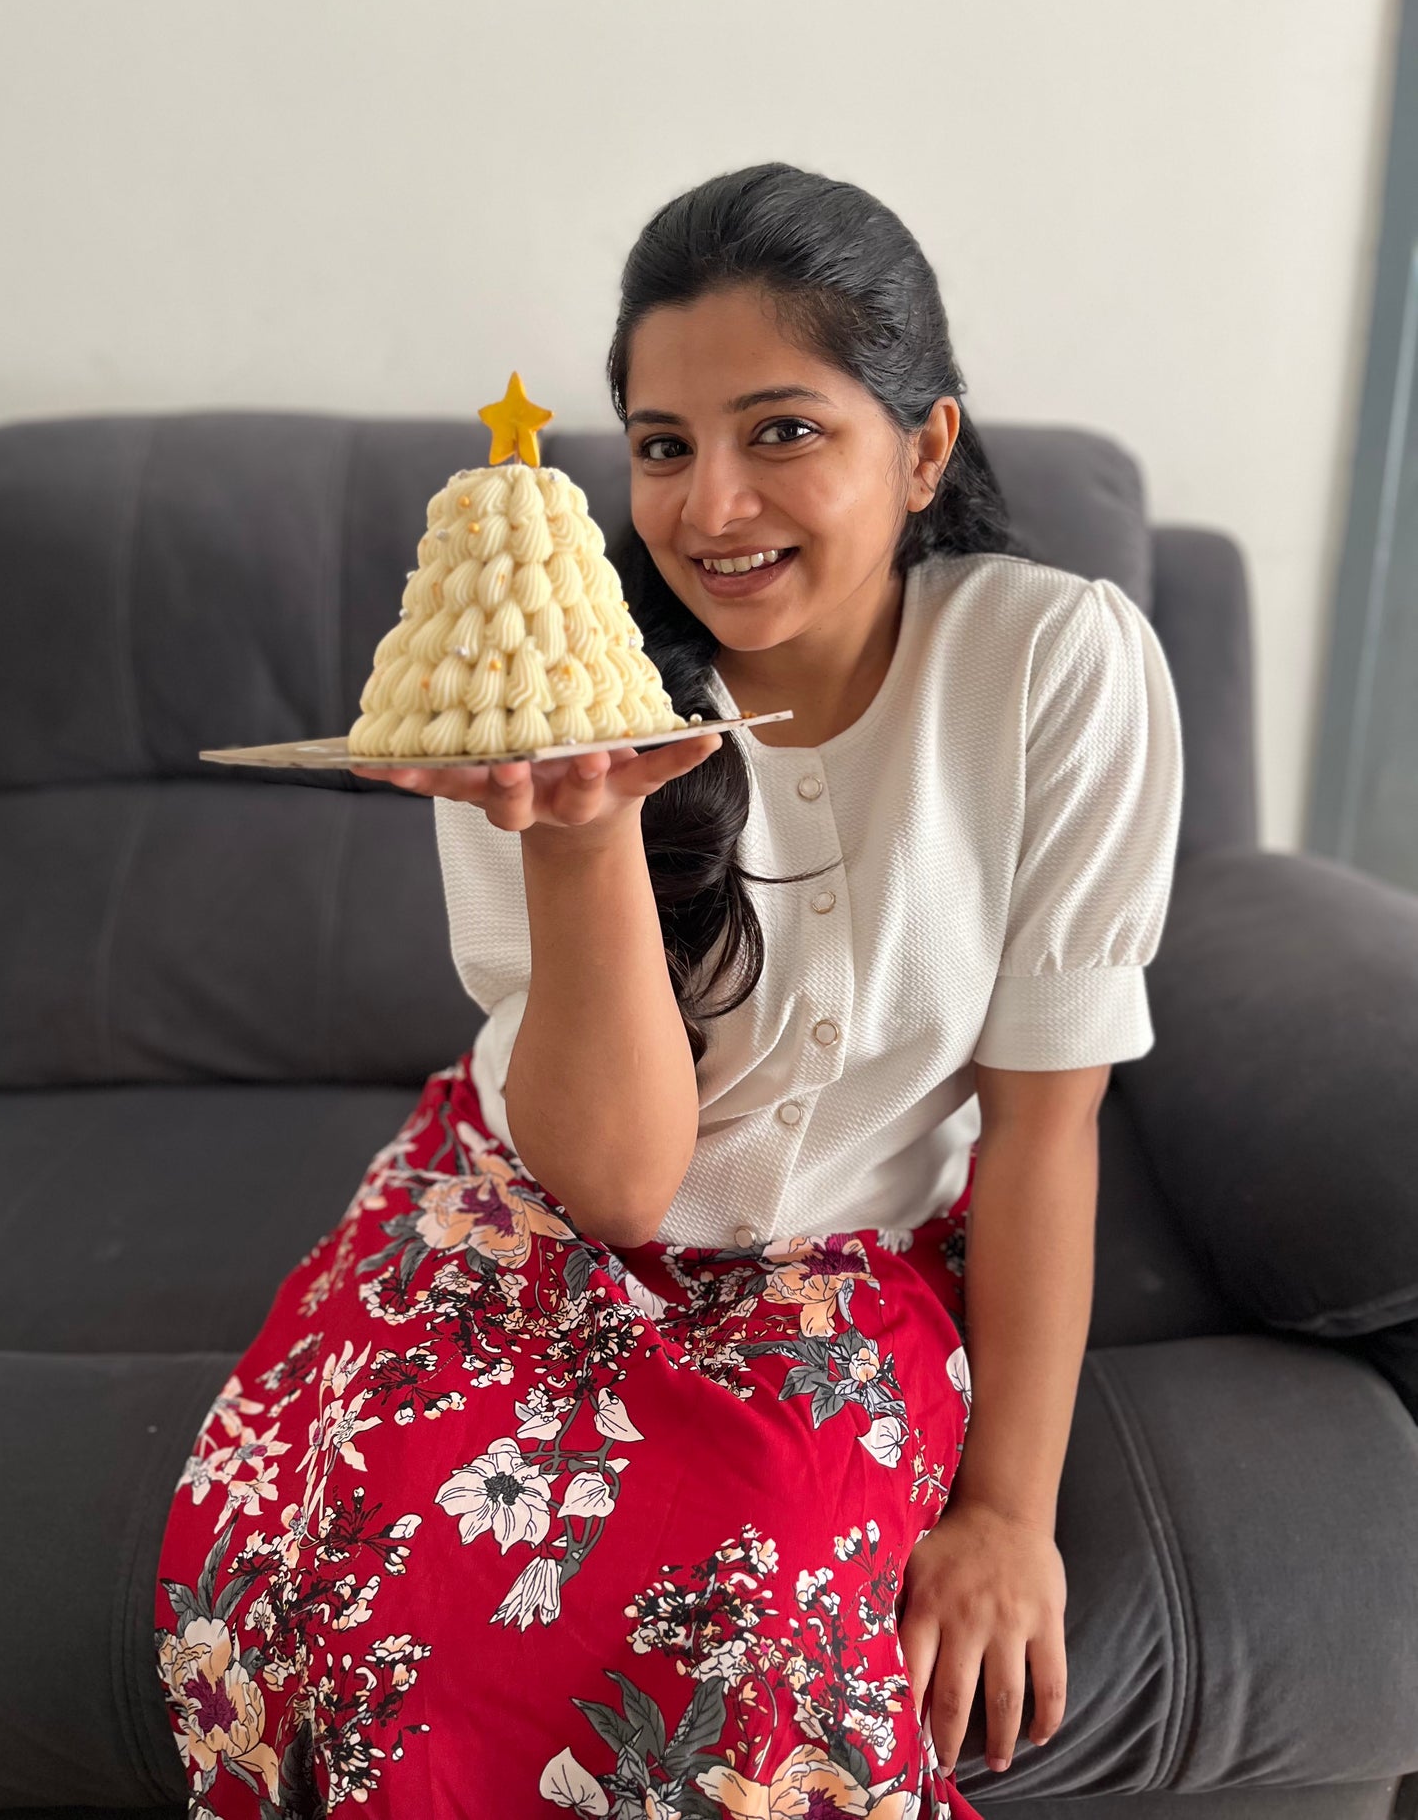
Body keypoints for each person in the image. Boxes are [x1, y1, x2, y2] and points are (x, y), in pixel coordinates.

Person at [152, 161, 1183, 1819]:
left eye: (781, 431)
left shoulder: (1052, 663)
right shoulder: (543, 696)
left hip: (836, 1269)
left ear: (923, 447)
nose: (709, 508)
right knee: (349, 1571)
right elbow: (619, 1184)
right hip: (529, 1216)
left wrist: (1007, 1513)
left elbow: (1043, 1132)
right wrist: (582, 831)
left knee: (736, 1610)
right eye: (661, 445)